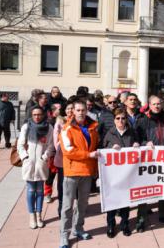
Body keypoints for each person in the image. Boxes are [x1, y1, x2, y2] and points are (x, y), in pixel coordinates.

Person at [59, 101, 99, 248]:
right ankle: (64, 235)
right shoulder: (66, 129)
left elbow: (95, 147)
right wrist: (89, 155)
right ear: (73, 112)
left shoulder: (93, 127)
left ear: (87, 110)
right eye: (78, 110)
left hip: (87, 171)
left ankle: (78, 228)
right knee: (68, 205)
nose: (81, 112)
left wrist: (94, 168)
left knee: (83, 204)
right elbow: (68, 151)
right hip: (72, 171)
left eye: (83, 110)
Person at [136, 95, 164, 230]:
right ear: (149, 105)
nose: (157, 106)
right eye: (154, 104)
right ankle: (141, 218)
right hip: (147, 161)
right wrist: (144, 143)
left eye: (159, 104)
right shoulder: (142, 121)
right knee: (144, 189)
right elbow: (136, 139)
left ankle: (163, 214)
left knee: (163, 187)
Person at [102, 108, 140, 238]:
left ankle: (125, 224)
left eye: (123, 118)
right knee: (112, 201)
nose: (121, 121)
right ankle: (111, 225)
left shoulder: (131, 132)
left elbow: (139, 144)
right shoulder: (110, 133)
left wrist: (137, 144)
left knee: (125, 201)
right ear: (114, 120)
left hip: (127, 174)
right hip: (113, 175)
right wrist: (110, 149)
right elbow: (103, 150)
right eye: (118, 118)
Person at [17, 106, 54, 229]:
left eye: (39, 114)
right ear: (31, 115)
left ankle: (39, 215)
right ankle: (32, 215)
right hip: (29, 163)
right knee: (31, 190)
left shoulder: (48, 127)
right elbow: (20, 144)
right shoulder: (26, 127)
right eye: (34, 115)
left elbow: (50, 145)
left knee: (40, 191)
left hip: (41, 163)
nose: (37, 117)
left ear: (43, 115)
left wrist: (45, 156)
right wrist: (24, 157)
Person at [51, 103, 74, 218]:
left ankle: (69, 205)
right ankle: (61, 205)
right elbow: (55, 140)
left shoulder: (77, 121)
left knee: (72, 184)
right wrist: (62, 148)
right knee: (61, 183)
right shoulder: (60, 122)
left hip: (74, 159)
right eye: (68, 108)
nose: (70, 110)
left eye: (72, 108)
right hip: (62, 157)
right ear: (64, 110)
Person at [43, 103, 62, 202]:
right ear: (53, 111)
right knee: (50, 174)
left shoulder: (63, 120)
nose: (59, 110)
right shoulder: (48, 122)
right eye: (58, 109)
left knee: (62, 175)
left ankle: (61, 193)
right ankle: (47, 193)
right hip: (53, 152)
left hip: (62, 151)